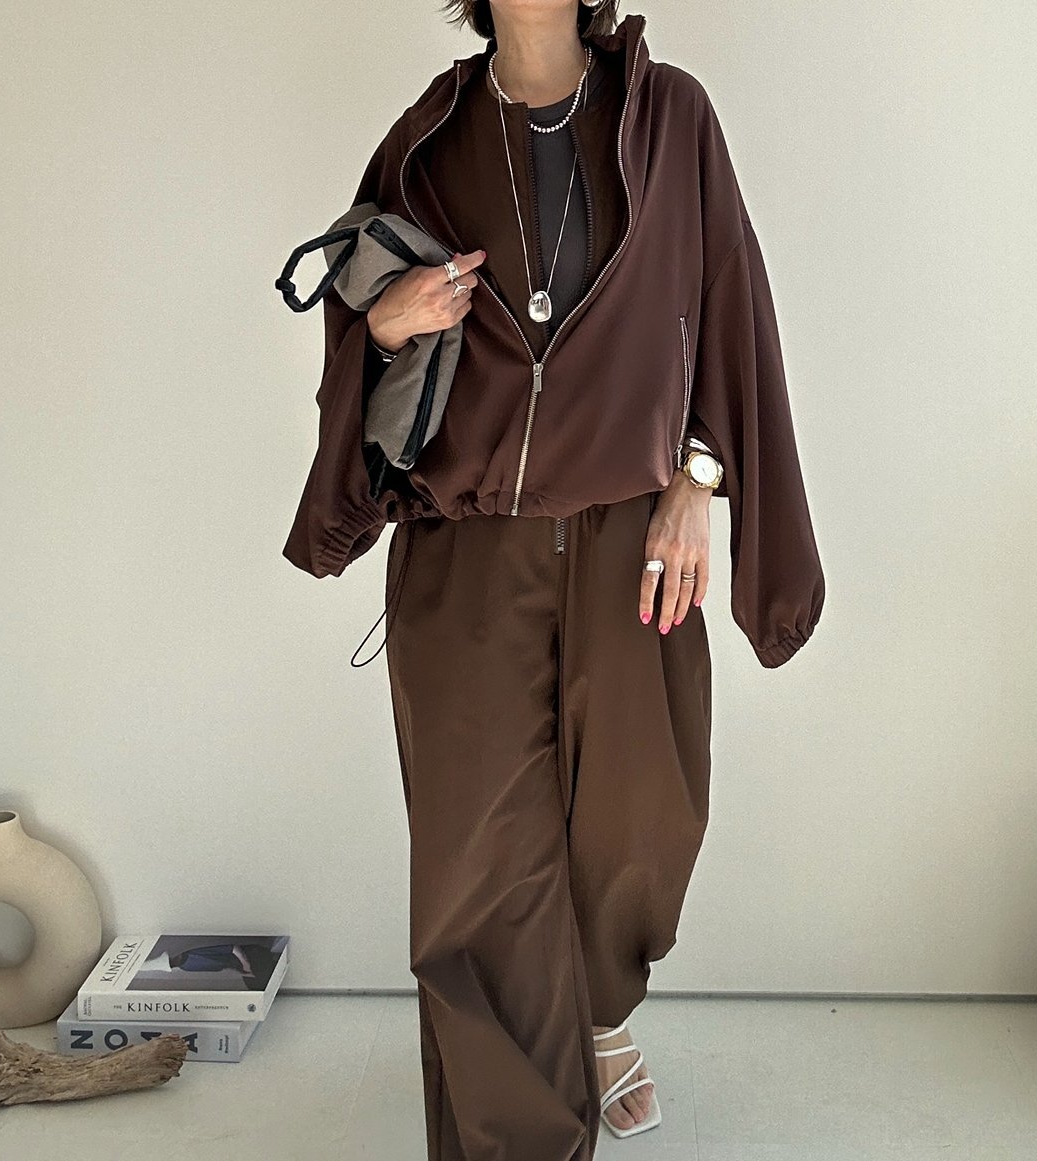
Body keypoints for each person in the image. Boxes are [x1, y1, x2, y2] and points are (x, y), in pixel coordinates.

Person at [282, 2, 825, 1156]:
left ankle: (597, 1009)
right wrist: (388, 328)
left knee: (642, 825)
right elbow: (357, 341)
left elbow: (730, 302)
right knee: (480, 868)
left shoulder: (669, 117)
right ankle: (516, 1133)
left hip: (635, 539)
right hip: (467, 548)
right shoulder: (427, 140)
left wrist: (700, 479)